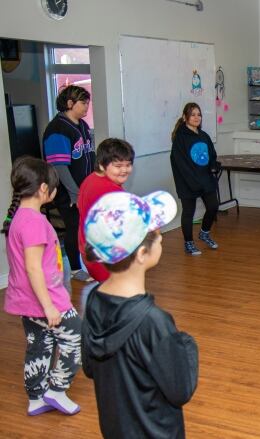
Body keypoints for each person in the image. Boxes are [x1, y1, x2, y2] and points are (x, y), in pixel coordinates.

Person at [82, 190, 199, 439]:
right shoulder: (154, 322)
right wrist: (185, 344)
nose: (162, 239)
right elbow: (180, 389)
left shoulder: (93, 300)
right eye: (156, 235)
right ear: (141, 254)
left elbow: (90, 367)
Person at [2, 157, 82, 416]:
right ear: (44, 189)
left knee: (39, 346)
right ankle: (56, 390)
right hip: (47, 300)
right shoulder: (35, 222)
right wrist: (49, 307)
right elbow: (33, 268)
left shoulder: (19, 217)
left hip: (26, 300)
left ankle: (36, 397)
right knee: (76, 340)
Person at [42, 85, 95, 280]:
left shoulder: (82, 125)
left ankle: (90, 262)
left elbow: (90, 154)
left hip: (84, 188)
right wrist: (75, 193)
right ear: (70, 103)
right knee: (73, 227)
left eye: (88, 103)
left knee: (85, 226)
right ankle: (74, 269)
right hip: (68, 192)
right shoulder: (57, 130)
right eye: (83, 103)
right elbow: (59, 167)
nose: (86, 107)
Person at [77, 138, 135, 283]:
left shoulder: (91, 179)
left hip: (89, 252)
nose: (124, 170)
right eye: (118, 166)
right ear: (102, 165)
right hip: (105, 258)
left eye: (128, 165)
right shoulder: (110, 191)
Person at [170, 102, 219, 255]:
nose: (196, 117)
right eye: (193, 114)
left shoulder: (204, 136)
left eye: (199, 114)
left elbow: (212, 155)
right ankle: (189, 243)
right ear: (185, 117)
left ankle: (204, 233)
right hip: (187, 181)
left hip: (205, 178)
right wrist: (193, 182)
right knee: (188, 212)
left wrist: (214, 165)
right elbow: (180, 164)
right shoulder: (180, 138)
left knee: (213, 207)